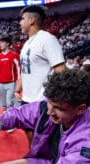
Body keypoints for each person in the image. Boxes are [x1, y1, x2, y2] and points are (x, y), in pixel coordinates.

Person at [14, 5, 65, 144]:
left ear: (31, 20)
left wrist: (52, 98)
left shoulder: (47, 39)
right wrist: (18, 87)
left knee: (43, 139)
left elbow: (61, 70)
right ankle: (34, 160)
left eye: (22, 19)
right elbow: (25, 69)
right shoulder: (27, 43)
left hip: (42, 99)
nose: (20, 22)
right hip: (27, 99)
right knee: (28, 132)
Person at [0, 36, 20, 113]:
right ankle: (5, 119)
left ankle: (10, 119)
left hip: (11, 83)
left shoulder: (14, 55)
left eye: (2, 42)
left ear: (7, 44)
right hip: (0, 83)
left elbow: (18, 69)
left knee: (9, 103)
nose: (0, 44)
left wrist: (18, 82)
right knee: (3, 104)